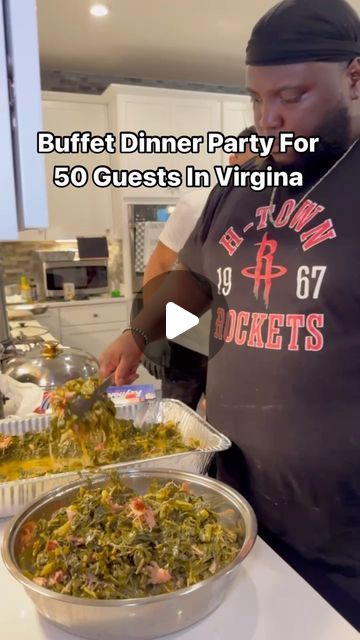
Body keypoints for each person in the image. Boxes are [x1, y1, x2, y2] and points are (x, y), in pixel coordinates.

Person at [100, 0, 360, 628]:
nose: (269, 120)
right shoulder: (246, 168)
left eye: (291, 97)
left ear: (355, 77)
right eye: (255, 100)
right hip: (234, 489)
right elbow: (197, 275)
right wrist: (140, 333)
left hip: (341, 529)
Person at [142, 128, 256, 410]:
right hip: (188, 339)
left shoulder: (278, 204)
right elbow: (160, 263)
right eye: (251, 160)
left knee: (229, 422)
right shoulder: (197, 202)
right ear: (233, 160)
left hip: (239, 343)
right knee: (177, 421)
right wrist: (152, 332)